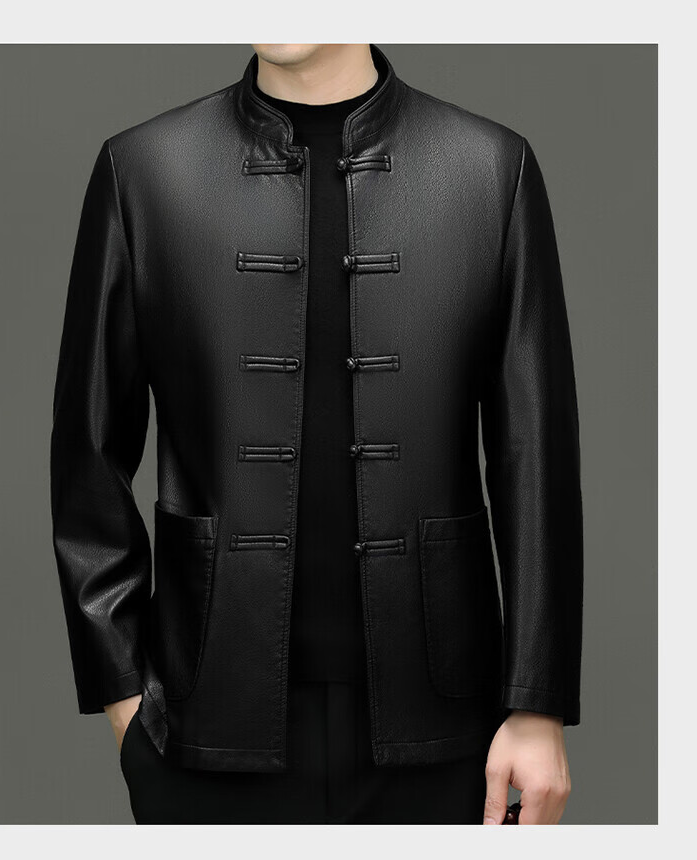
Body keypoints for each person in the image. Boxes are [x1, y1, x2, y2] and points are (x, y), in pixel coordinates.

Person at [50, 43, 583, 824]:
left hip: (447, 729)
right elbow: (86, 453)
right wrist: (125, 697)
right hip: (203, 724)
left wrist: (536, 703)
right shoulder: (144, 170)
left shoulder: (490, 168)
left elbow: (534, 454)